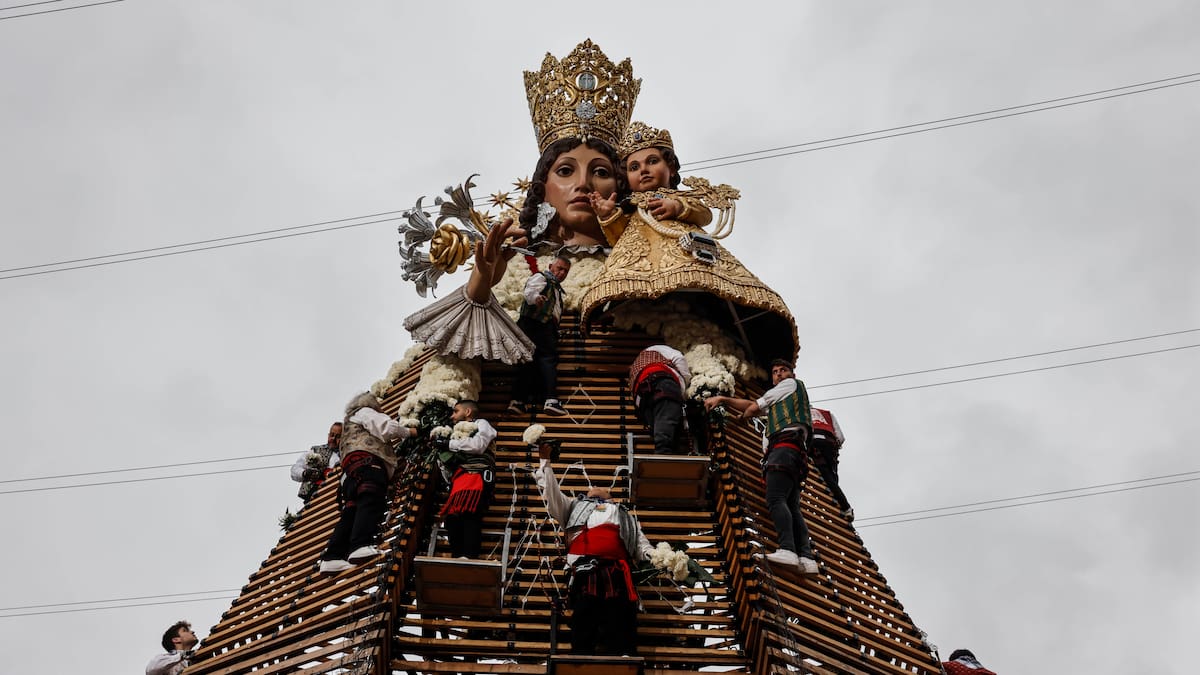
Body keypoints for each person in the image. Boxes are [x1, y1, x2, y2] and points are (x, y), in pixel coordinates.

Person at [535, 448, 655, 656]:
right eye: (591, 487)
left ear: (611, 496)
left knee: (621, 611)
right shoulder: (574, 506)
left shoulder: (624, 515)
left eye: (601, 487)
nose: (595, 487)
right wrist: (545, 461)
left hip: (618, 568)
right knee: (584, 610)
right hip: (585, 567)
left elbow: (641, 546)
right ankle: (581, 657)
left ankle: (623, 654)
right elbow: (553, 496)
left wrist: (660, 557)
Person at [704, 358, 818, 574]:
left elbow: (754, 407)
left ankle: (788, 550)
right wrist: (726, 401)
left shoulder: (788, 385)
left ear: (791, 374)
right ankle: (806, 557)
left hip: (783, 448)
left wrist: (738, 413)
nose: (779, 374)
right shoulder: (784, 399)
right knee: (792, 505)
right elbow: (751, 406)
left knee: (775, 499)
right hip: (795, 452)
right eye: (775, 372)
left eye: (783, 370)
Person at [319, 392, 418, 573]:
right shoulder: (365, 411)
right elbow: (387, 428)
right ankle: (360, 544)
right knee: (370, 502)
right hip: (368, 466)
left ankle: (331, 556)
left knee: (351, 512)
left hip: (350, 474)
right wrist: (409, 432)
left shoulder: (349, 424)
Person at [509, 256, 571, 416]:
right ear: (551, 266)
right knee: (547, 359)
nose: (562, 273)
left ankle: (519, 401)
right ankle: (550, 400)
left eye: (566, 271)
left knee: (529, 361)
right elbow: (530, 291)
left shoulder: (556, 289)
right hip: (535, 324)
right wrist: (536, 298)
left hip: (543, 327)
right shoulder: (541, 277)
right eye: (560, 268)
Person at [437, 399, 498, 558]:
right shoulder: (452, 433)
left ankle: (470, 556)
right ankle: (458, 556)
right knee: (452, 518)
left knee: (470, 514)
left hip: (477, 476)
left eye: (456, 411)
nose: (452, 416)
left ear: (468, 412)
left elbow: (478, 445)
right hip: (459, 479)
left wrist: (449, 444)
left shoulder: (482, 424)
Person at [628, 344, 691, 454]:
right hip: (662, 383)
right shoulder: (662, 350)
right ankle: (663, 459)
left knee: (663, 428)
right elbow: (679, 359)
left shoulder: (642, 360)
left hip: (642, 396)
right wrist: (685, 384)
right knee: (666, 428)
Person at [809, 407, 853, 520]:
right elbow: (841, 438)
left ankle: (844, 507)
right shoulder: (827, 414)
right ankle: (842, 507)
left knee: (823, 476)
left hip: (812, 443)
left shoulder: (799, 412)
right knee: (831, 477)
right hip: (829, 445)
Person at [290, 421, 342, 503]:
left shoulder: (345, 455)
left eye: (338, 436)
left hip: (336, 497)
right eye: (332, 435)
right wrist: (304, 473)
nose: (333, 439)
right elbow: (295, 469)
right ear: (328, 435)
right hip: (314, 496)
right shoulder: (315, 450)